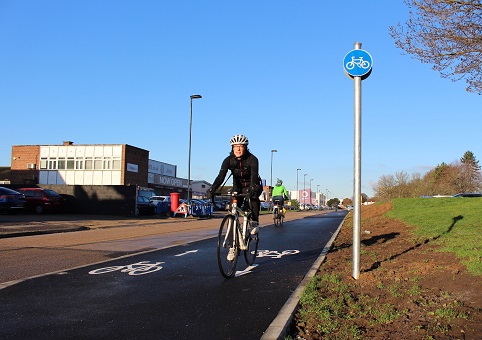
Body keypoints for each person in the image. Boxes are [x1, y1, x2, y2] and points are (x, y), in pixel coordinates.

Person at [207, 134, 262, 260]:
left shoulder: (252, 159)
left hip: (252, 185)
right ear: (232, 148)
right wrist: (212, 189)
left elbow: (254, 176)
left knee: (253, 197)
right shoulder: (228, 160)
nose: (238, 149)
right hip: (237, 187)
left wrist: (253, 188)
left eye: (241, 146)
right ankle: (233, 247)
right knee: (232, 215)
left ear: (245, 147)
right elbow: (221, 176)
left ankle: (254, 222)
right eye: (235, 146)